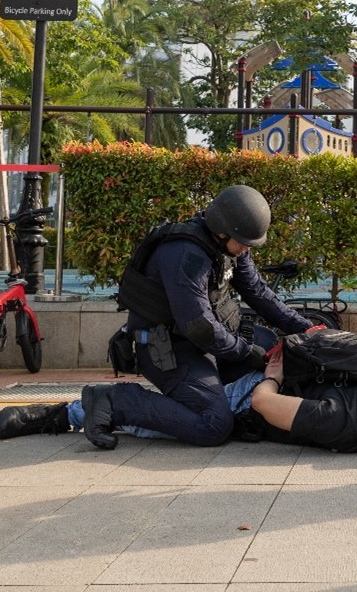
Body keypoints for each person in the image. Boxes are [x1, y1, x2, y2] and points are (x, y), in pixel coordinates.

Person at [75, 185, 316, 450]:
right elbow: (199, 326)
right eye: (244, 243)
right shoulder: (185, 255)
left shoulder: (230, 247)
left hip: (208, 343)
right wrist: (247, 353)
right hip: (171, 350)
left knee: (279, 352)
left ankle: (218, 397)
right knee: (214, 425)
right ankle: (112, 400)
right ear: (222, 231)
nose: (247, 250)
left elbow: (257, 292)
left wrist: (307, 330)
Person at [0, 352, 357, 450]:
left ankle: (55, 414)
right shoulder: (345, 422)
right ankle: (74, 410)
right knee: (173, 426)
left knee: (160, 419)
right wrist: (273, 377)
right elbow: (263, 405)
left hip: (263, 379)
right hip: (247, 393)